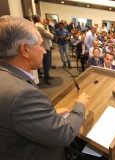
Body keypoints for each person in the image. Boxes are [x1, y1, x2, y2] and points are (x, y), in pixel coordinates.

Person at [0, 15, 90, 160]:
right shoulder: (22, 95)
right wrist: (80, 105)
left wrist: (47, 115)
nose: (44, 51)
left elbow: (15, 118)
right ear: (25, 49)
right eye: (41, 45)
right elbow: (65, 134)